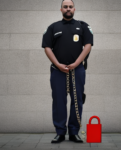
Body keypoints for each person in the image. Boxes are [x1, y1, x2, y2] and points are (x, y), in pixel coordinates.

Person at [41, 0, 93, 143]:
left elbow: (88, 45)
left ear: (74, 9)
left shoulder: (83, 26)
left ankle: (74, 132)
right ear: (61, 9)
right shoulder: (53, 27)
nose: (68, 9)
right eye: (65, 7)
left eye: (70, 7)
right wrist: (57, 64)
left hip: (78, 70)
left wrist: (76, 63)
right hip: (58, 71)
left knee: (77, 100)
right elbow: (47, 47)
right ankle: (60, 132)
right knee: (59, 101)